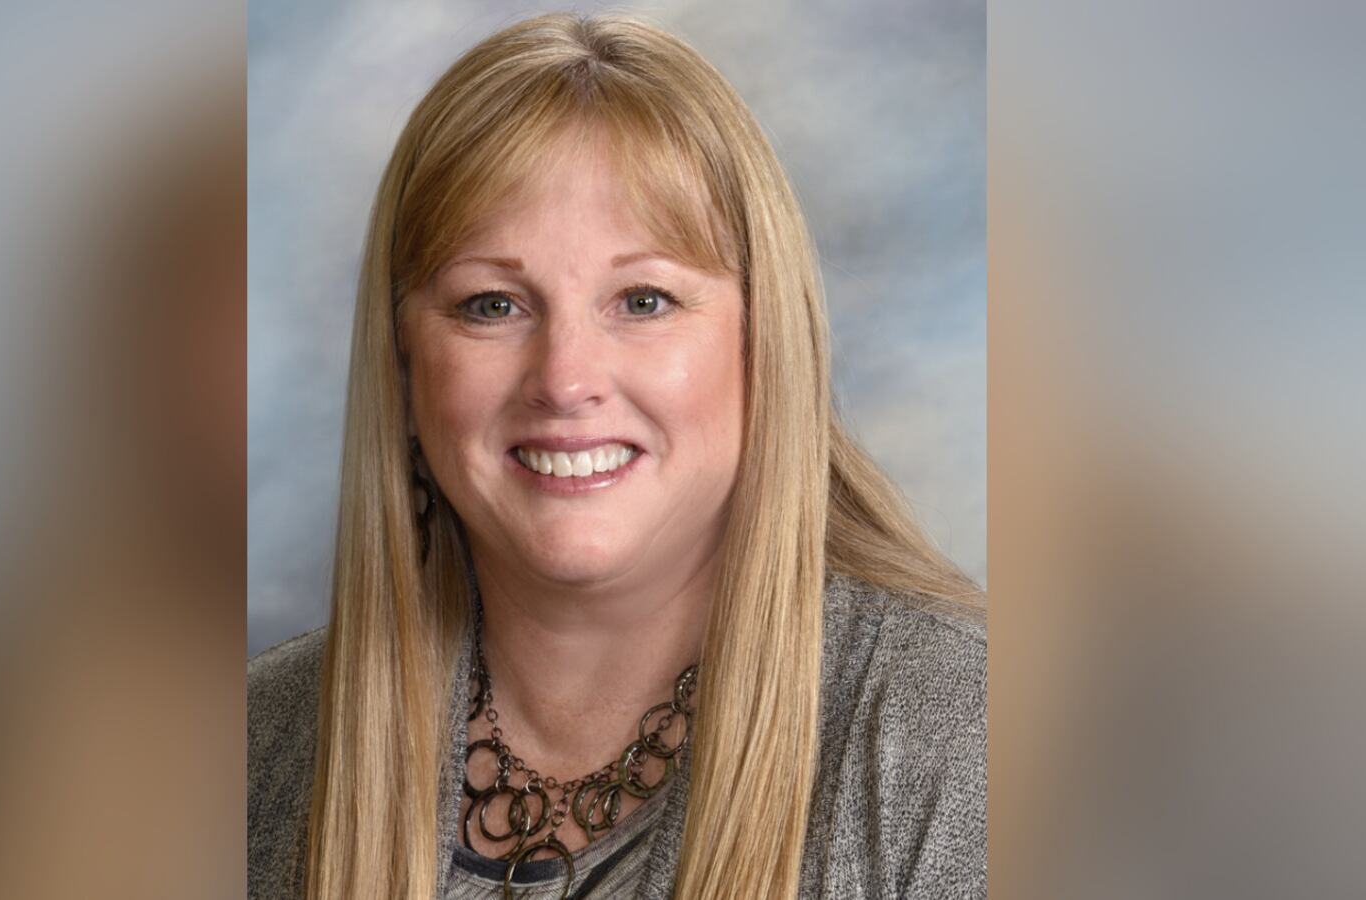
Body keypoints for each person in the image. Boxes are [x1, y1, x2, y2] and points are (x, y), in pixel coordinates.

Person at [248, 13, 985, 900]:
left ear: (765, 347)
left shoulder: (970, 741)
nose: (564, 380)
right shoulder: (250, 750)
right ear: (403, 369)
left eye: (643, 299)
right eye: (491, 305)